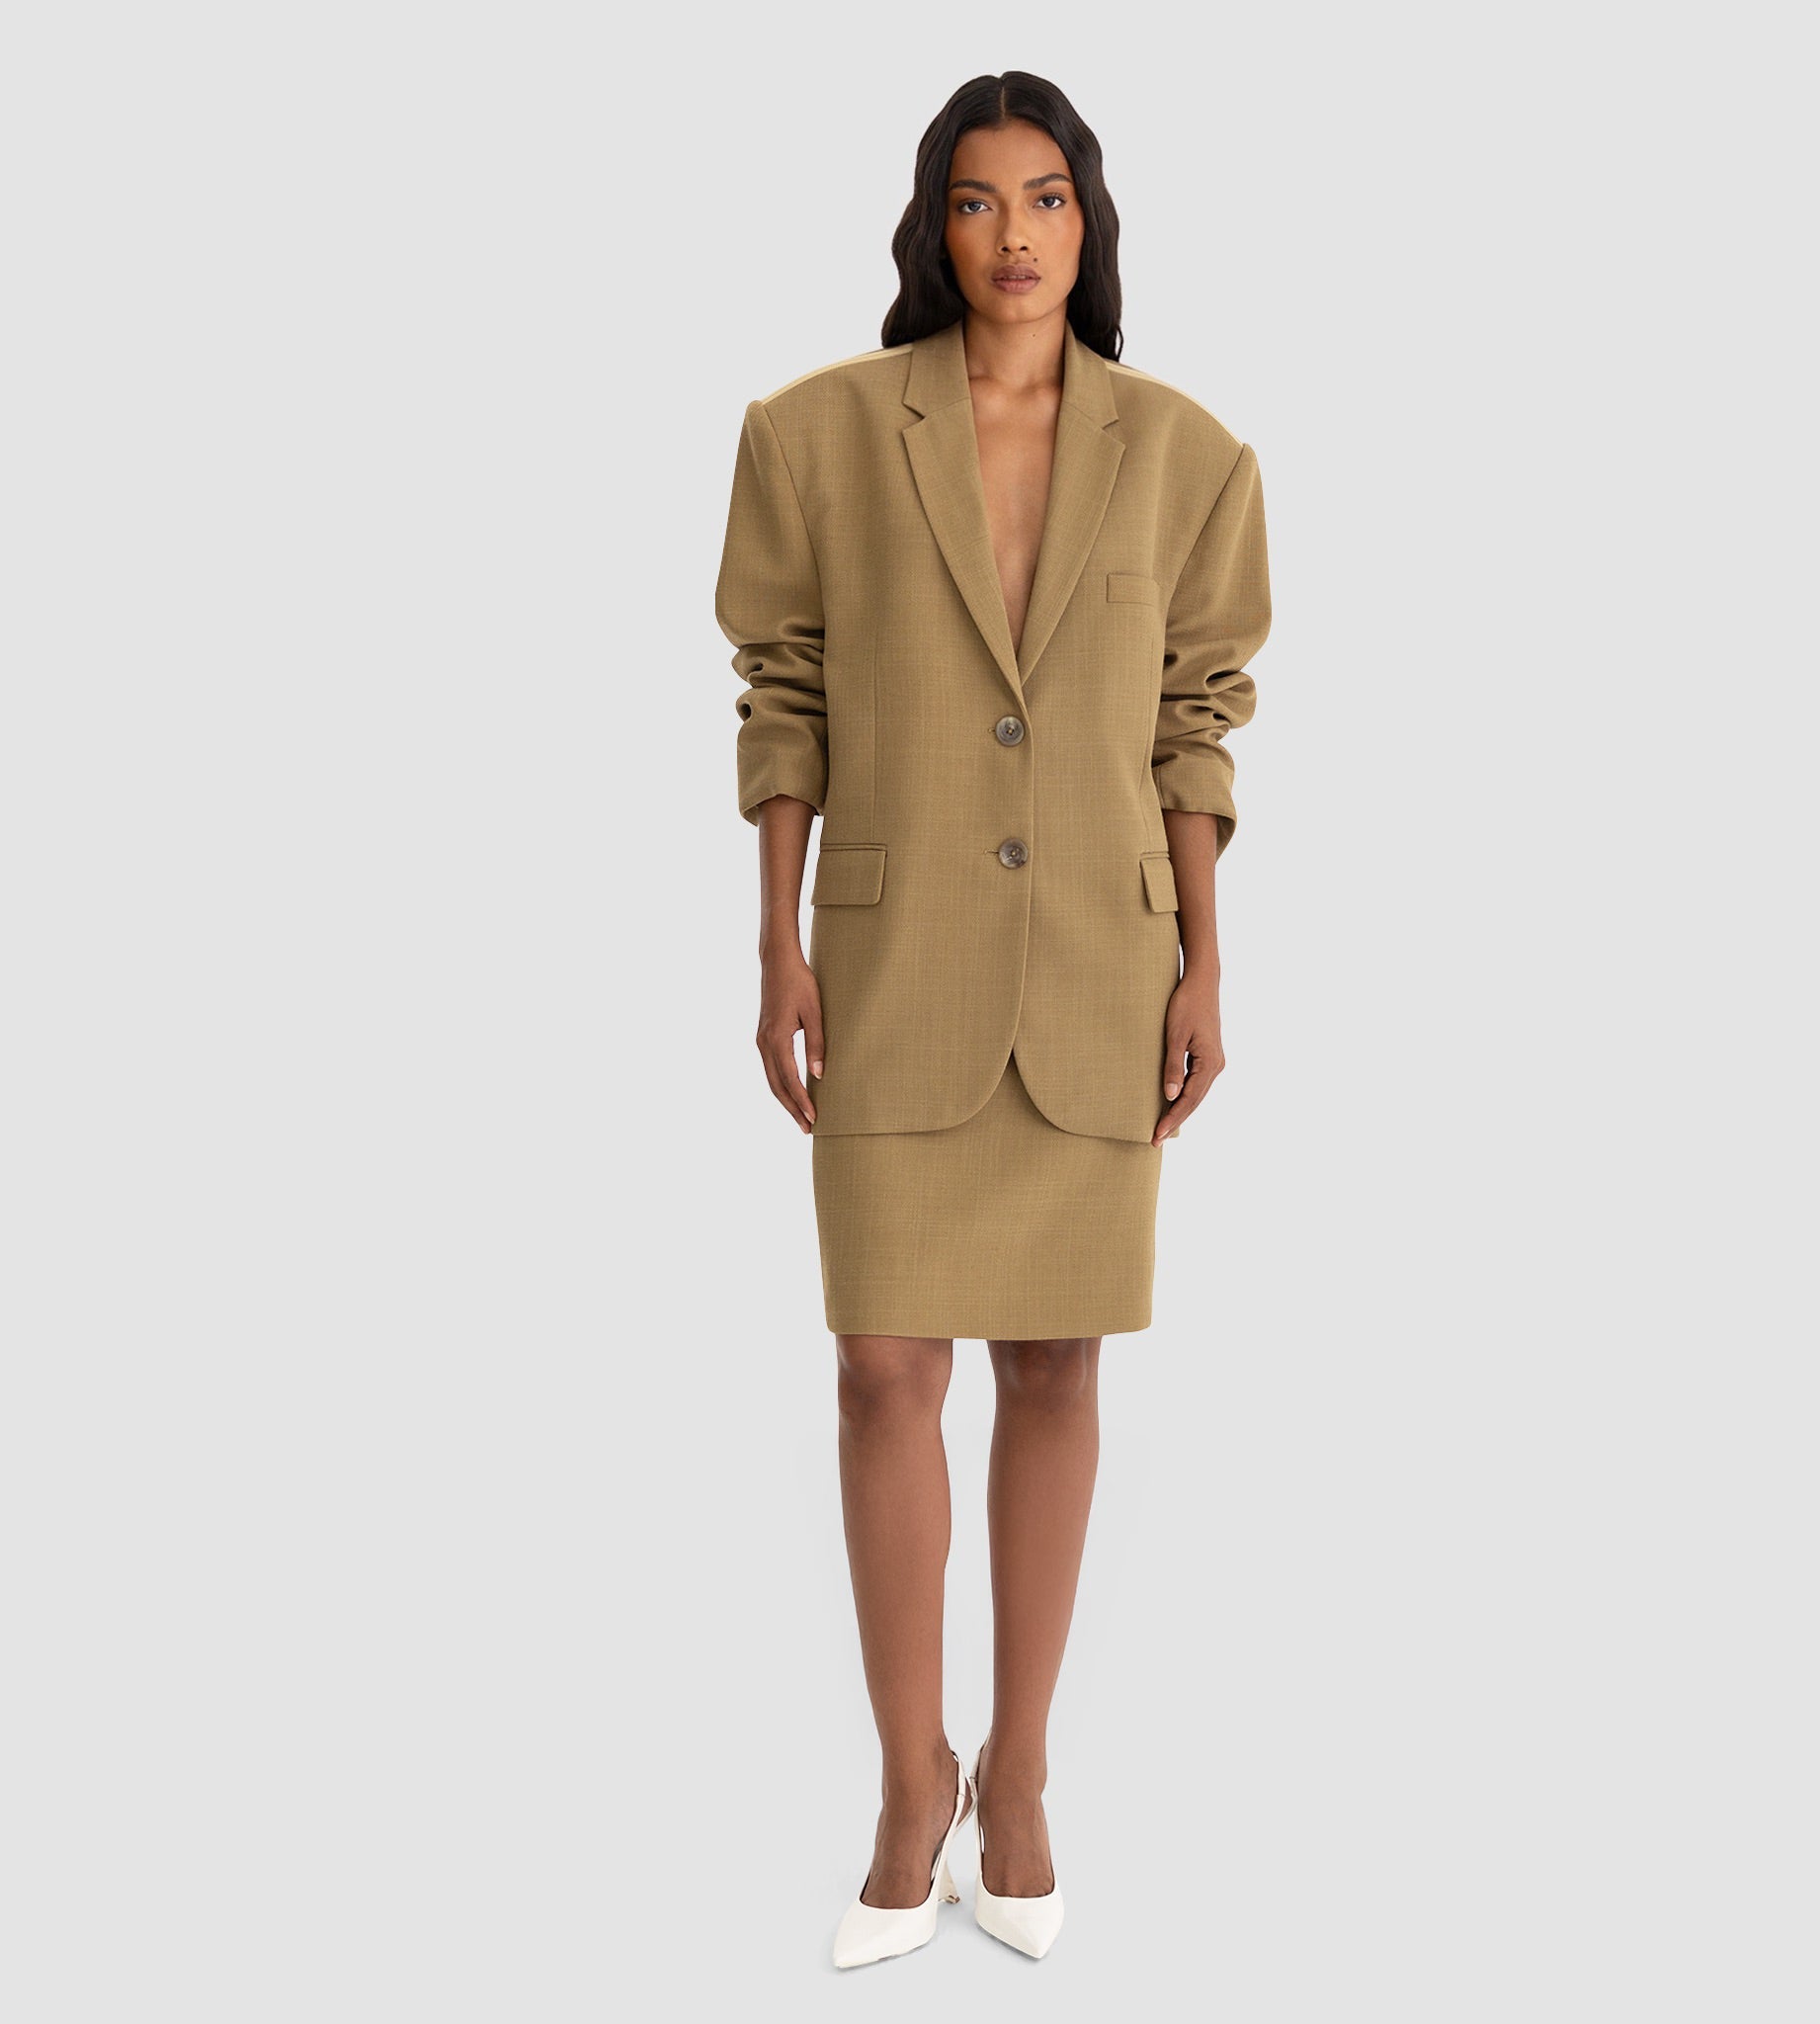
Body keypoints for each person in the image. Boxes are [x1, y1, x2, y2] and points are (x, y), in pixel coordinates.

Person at [713, 70, 1270, 1969]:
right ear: (930, 224)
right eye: (974, 200)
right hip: (890, 963)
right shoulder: (813, 435)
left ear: (1087, 221)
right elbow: (783, 689)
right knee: (883, 1366)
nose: (1012, 235)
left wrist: (1207, 958)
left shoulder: (1189, 456)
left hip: (1103, 966)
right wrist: (775, 942)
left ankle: (1017, 1779)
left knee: (1054, 1365)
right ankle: (908, 1781)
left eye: (1045, 198)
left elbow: (1195, 719)